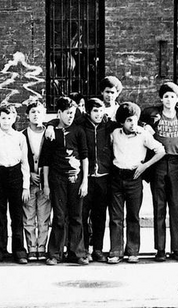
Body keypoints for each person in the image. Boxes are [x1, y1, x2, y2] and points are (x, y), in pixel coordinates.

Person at [140, 81, 178, 262]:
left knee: (175, 207)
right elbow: (138, 118)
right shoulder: (152, 114)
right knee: (159, 207)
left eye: (172, 97)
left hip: (176, 164)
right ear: (161, 98)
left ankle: (176, 247)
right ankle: (160, 249)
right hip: (158, 163)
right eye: (166, 96)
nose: (169, 100)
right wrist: (145, 125)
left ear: (177, 99)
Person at [107, 102, 165, 264]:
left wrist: (145, 166)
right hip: (117, 177)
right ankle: (116, 251)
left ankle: (132, 251)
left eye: (134, 120)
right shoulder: (115, 133)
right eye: (128, 121)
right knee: (116, 217)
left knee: (133, 216)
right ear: (121, 122)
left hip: (134, 178)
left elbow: (160, 150)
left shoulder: (142, 134)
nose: (132, 124)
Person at [41, 96, 89, 266]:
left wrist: (85, 182)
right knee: (59, 217)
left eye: (73, 113)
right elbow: (45, 161)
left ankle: (77, 252)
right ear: (59, 113)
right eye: (67, 113)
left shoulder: (78, 131)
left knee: (76, 216)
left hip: (75, 178)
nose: (70, 116)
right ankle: (55, 253)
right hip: (57, 179)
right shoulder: (51, 133)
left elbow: (84, 157)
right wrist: (46, 184)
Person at [0, 104, 30, 265]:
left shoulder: (19, 137)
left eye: (9, 118)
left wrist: (25, 186)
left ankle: (19, 250)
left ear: (14, 119)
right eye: (3, 118)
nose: (6, 121)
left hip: (15, 175)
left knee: (17, 215)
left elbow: (25, 162)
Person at [80, 98, 114, 263]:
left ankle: (98, 249)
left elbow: (131, 119)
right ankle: (85, 249)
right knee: (83, 215)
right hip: (86, 178)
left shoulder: (108, 126)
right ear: (88, 112)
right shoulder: (81, 125)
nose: (98, 114)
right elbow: (57, 121)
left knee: (100, 216)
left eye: (101, 111)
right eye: (95, 111)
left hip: (104, 177)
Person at [22, 101, 51, 262]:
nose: (36, 115)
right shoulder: (22, 135)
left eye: (39, 112)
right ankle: (31, 247)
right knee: (28, 216)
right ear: (27, 115)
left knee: (44, 217)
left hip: (45, 181)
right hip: (29, 181)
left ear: (44, 114)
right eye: (33, 112)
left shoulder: (49, 133)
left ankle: (42, 247)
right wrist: (29, 176)